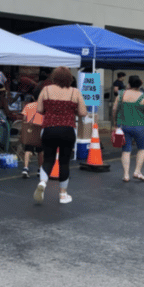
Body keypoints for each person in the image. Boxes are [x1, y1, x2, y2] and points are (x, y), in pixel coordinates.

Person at [33, 66, 88, 205]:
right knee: (64, 162)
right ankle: (63, 195)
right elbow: (83, 112)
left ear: (54, 77)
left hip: (49, 129)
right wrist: (71, 111)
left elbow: (39, 109)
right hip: (68, 129)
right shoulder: (75, 92)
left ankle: (43, 183)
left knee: (48, 159)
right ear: (69, 78)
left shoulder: (46, 90)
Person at [112, 75, 144, 183]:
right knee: (142, 149)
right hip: (140, 127)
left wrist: (114, 123)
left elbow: (114, 109)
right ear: (140, 84)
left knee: (126, 150)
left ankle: (126, 175)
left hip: (124, 126)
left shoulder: (121, 95)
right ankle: (137, 171)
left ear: (129, 84)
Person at [20, 90, 44, 179]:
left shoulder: (28, 106)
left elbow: (24, 118)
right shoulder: (44, 107)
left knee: (28, 149)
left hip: (30, 129)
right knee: (40, 151)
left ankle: (25, 168)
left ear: (33, 97)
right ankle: (40, 169)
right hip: (39, 129)